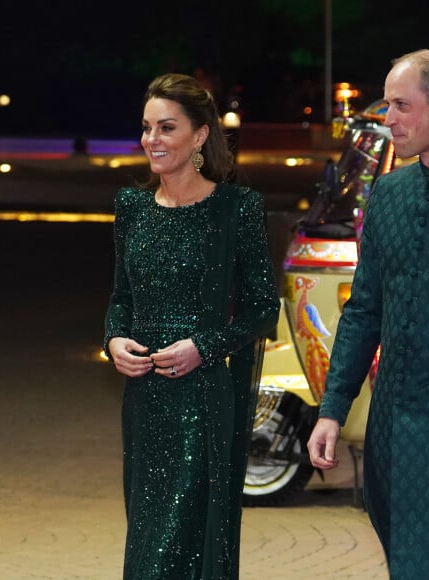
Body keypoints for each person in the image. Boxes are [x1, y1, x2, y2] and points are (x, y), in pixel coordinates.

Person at [104, 73, 280, 579]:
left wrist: (202, 346)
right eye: (145, 128)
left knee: (180, 547)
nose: (151, 141)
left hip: (202, 404)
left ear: (200, 136)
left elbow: (262, 308)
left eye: (166, 128)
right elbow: (120, 298)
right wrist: (114, 338)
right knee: (145, 542)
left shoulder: (236, 210)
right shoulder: (131, 208)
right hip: (143, 404)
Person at [307, 49, 429, 578]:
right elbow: (363, 310)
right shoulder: (387, 194)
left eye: (401, 106)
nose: (388, 120)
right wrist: (331, 409)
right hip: (389, 427)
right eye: (387, 106)